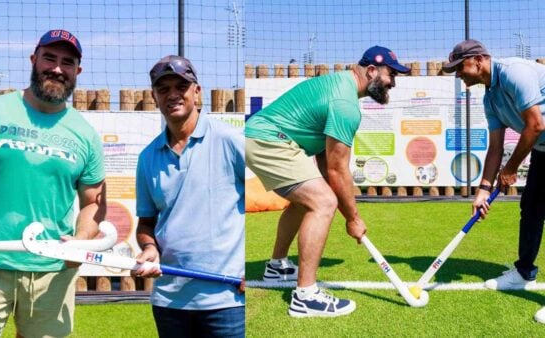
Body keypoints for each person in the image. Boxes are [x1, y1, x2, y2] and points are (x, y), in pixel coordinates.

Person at [0, 29, 106, 337]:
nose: (57, 69)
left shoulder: (85, 134)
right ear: (34, 60)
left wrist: (82, 241)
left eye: (67, 62)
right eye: (49, 58)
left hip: (51, 274)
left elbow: (93, 203)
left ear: (77, 72)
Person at [245, 46, 410, 317]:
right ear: (371, 71)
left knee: (308, 199)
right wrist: (353, 218)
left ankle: (277, 266)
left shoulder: (338, 86)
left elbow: (325, 161)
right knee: (322, 202)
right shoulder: (345, 104)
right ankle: (306, 296)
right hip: (269, 141)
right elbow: (337, 169)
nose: (393, 82)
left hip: (262, 138)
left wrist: (340, 201)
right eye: (391, 74)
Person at [134, 55, 245, 337]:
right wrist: (149, 248)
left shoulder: (230, 140)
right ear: (154, 97)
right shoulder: (147, 157)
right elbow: (146, 223)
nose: (172, 94)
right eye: (163, 89)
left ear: (197, 92)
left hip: (227, 300)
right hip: (169, 301)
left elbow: (269, 199)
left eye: (181, 86)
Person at [443, 39, 545, 323]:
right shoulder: (490, 98)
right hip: (542, 150)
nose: (457, 74)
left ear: (478, 60)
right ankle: (524, 272)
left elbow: (536, 125)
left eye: (459, 67)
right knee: (532, 209)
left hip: (541, 140)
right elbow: (495, 148)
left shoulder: (514, 73)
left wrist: (511, 168)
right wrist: (483, 190)